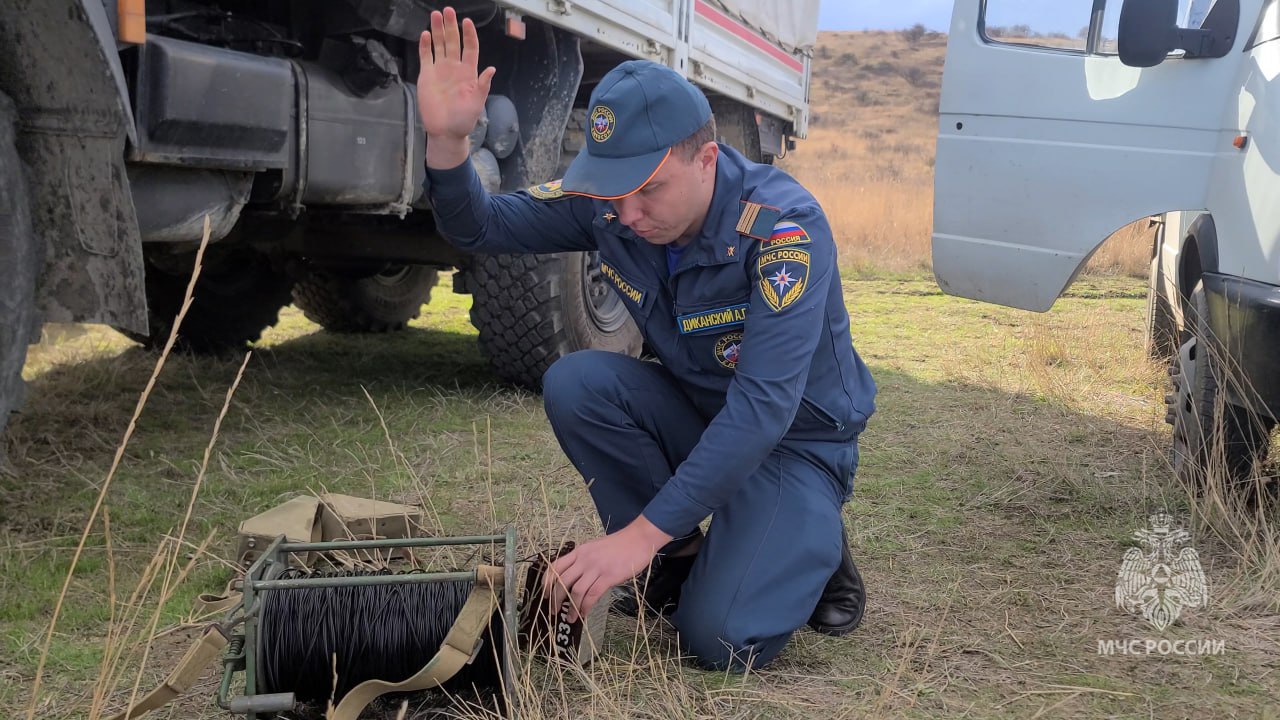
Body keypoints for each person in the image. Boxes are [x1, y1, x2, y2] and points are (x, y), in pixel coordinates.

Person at [417, 7, 876, 671]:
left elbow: (762, 410)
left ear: (707, 160)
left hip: (793, 442)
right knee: (579, 382)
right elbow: (480, 227)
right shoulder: (613, 205)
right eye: (613, 192)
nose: (627, 215)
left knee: (718, 640)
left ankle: (810, 540)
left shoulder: (783, 231)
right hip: (701, 416)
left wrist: (634, 537)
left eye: (649, 191)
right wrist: (449, 145)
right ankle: (680, 561)